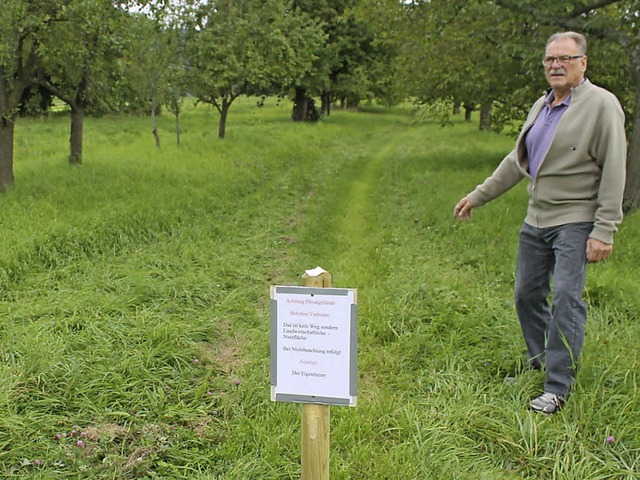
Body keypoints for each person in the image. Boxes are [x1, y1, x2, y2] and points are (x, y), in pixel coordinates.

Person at [453, 31, 627, 414]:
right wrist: (477, 196)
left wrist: (604, 230)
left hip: (576, 218)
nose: (556, 65)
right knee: (526, 295)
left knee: (566, 296)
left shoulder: (602, 105)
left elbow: (615, 169)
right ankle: (540, 363)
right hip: (536, 218)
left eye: (565, 58)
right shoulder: (542, 106)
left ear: (583, 62)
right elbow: (517, 162)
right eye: (550, 59)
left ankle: (557, 386)